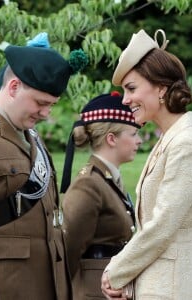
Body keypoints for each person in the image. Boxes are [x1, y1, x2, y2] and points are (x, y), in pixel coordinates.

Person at [0, 40, 88, 299]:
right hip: (5, 283)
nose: (46, 113)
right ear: (14, 86)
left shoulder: (32, 137)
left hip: (48, 280)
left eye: (51, 104)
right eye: (41, 102)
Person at [101, 29, 192, 299]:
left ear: (161, 88)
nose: (126, 99)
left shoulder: (185, 142)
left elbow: (163, 225)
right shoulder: (172, 137)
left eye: (131, 89)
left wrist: (115, 271)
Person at [60, 92, 142, 299]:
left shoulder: (107, 179)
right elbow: (70, 248)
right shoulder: (89, 184)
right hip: (93, 290)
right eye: (133, 134)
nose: (139, 141)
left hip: (109, 286)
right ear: (111, 138)